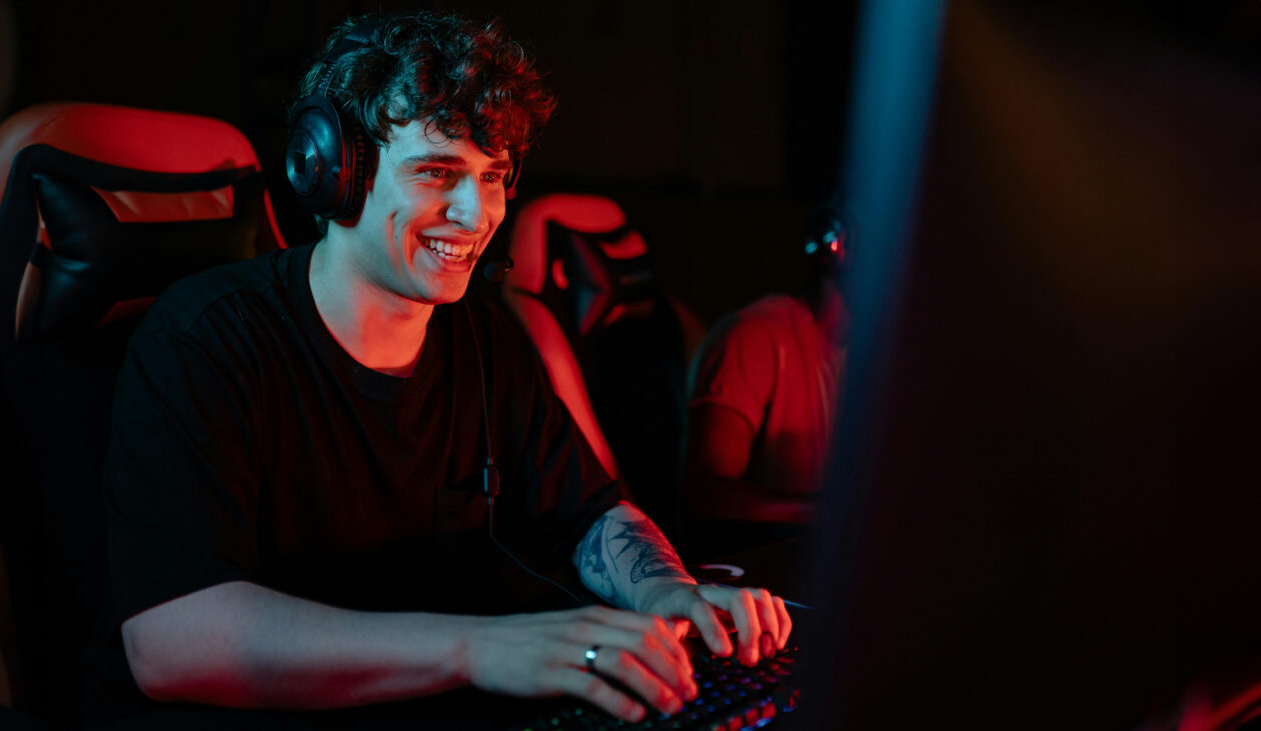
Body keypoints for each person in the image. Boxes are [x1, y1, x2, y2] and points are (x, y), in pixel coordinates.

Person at [87, 11, 791, 727]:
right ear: (332, 172)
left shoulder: (483, 336)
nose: (476, 212)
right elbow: (168, 640)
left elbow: (586, 511)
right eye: (437, 172)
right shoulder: (205, 340)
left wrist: (670, 594)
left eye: (493, 177)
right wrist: (482, 648)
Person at [680, 200, 850, 554]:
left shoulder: (899, 354)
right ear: (830, 243)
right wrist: (832, 514)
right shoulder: (752, 336)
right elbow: (707, 497)